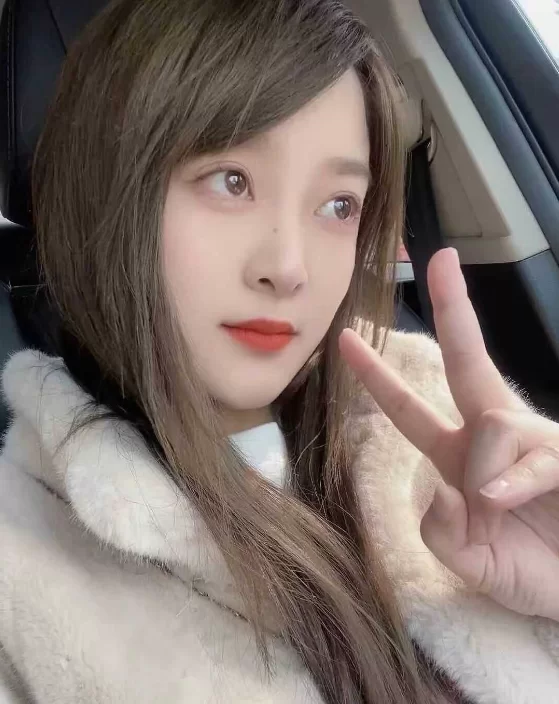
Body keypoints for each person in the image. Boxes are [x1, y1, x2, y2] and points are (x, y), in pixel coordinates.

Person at [1, 0, 559, 702]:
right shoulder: (20, 567)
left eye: (338, 205)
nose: (289, 268)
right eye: (230, 181)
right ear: (106, 191)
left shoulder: (441, 427)